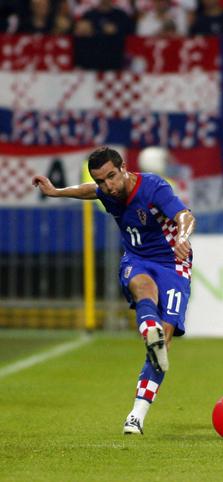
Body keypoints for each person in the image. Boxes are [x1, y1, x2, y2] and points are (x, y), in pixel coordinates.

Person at [32, 146, 196, 435]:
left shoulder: (153, 187)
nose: (107, 185)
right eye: (101, 181)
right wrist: (56, 192)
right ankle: (149, 332)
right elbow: (87, 190)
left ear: (123, 169)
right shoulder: (105, 191)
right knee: (142, 287)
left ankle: (137, 411)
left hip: (173, 262)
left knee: (163, 344)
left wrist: (183, 237)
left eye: (111, 177)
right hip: (137, 259)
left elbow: (184, 215)